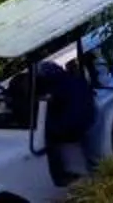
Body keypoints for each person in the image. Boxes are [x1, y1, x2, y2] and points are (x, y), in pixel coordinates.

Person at [34, 54, 96, 183]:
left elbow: (45, 101)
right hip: (88, 119)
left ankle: (64, 174)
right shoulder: (75, 79)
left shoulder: (56, 87)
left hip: (70, 126)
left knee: (44, 135)